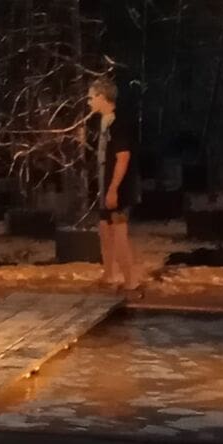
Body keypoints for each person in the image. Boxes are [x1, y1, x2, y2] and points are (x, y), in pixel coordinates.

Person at [87, 77, 140, 292]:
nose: (89, 102)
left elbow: (123, 158)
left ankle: (130, 280)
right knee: (104, 229)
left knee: (119, 233)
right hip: (105, 184)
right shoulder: (103, 123)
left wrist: (113, 189)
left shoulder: (119, 124)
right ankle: (109, 274)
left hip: (117, 187)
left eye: (92, 97)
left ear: (102, 97)